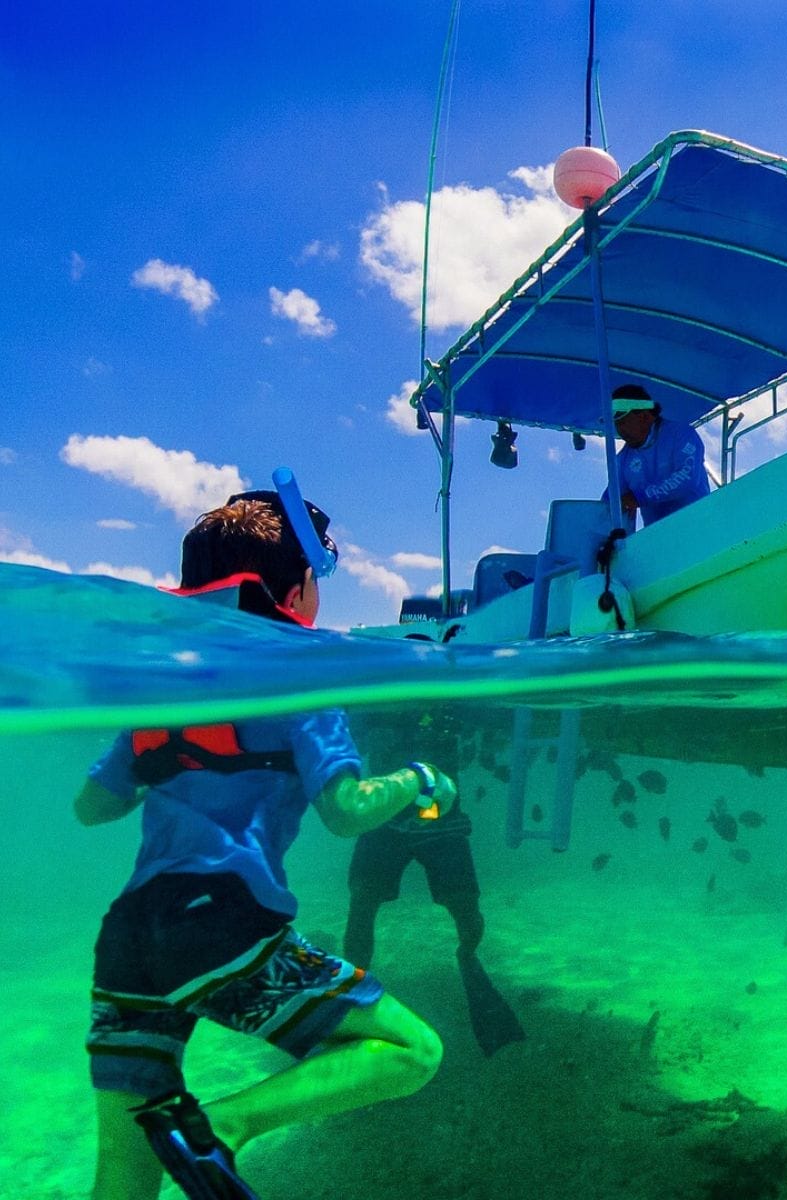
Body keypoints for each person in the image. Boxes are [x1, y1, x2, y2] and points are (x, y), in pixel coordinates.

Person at [75, 489, 458, 1200]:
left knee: (123, 1176)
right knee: (411, 1050)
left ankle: (189, 1135)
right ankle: (224, 1126)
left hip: (129, 937)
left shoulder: (166, 686)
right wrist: (421, 778)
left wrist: (168, 769)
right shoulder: (299, 675)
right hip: (222, 925)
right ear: (300, 586)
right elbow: (347, 811)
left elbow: (92, 807)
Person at [343, 709, 525, 1058]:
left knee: (463, 908)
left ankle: (468, 959)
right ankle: (354, 993)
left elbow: (492, 719)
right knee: (363, 900)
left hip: (439, 821)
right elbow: (351, 741)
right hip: (388, 820)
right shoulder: (379, 702)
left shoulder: (441, 700)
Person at [603, 383, 710, 526]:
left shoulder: (681, 434)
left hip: (700, 526)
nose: (619, 430)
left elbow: (688, 478)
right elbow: (608, 503)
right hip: (658, 536)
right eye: (616, 424)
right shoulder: (623, 459)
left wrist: (638, 497)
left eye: (623, 422)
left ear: (644, 417)